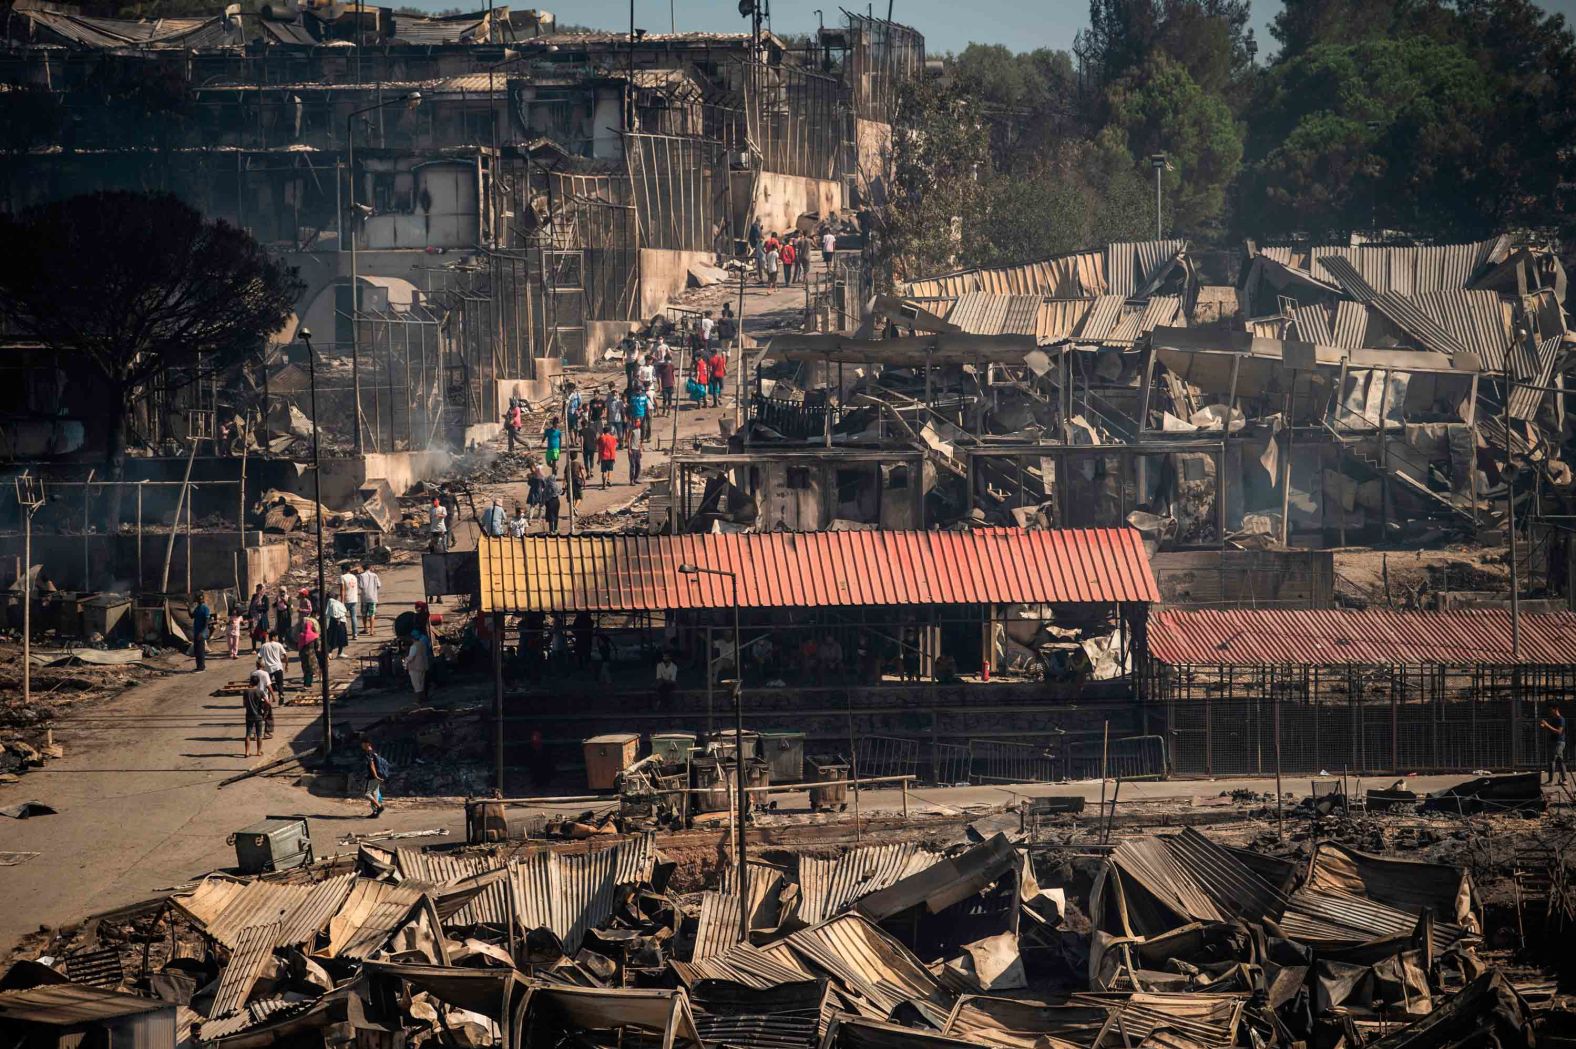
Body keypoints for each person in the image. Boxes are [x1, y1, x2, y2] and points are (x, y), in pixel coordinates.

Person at [248, 659, 276, 739]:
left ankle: (255, 734)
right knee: (269, 715)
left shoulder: (252, 673)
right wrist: (273, 696)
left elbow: (250, 685)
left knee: (255, 715)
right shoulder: (265, 673)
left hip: (254, 698)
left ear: (257, 665)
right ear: (263, 665)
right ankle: (267, 732)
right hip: (264, 698)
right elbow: (268, 686)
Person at [1542, 703, 1568, 785]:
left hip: (1559, 742)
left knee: (1552, 760)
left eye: (1551, 710)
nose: (1550, 711)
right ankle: (1564, 780)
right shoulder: (1554, 719)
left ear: (1555, 709)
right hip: (1554, 741)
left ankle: (1550, 781)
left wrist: (1547, 725)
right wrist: (1545, 727)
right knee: (1560, 760)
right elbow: (1552, 730)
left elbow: (1559, 732)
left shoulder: (1561, 719)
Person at [362, 739, 388, 818]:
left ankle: (380, 807)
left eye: (363, 744)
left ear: (368, 744)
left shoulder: (369, 753)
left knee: (367, 794)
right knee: (375, 794)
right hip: (378, 776)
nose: (362, 746)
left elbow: (372, 765)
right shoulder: (375, 753)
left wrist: (376, 776)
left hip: (373, 777)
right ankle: (375, 813)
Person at [242, 681, 268, 758]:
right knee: (259, 735)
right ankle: (258, 752)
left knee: (248, 734)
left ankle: (247, 752)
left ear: (251, 682)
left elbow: (244, 704)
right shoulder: (260, 692)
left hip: (249, 715)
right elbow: (267, 702)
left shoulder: (246, 691)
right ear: (258, 683)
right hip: (259, 716)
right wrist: (266, 711)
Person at [258, 631, 288, 697]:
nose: (277, 638)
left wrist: (260, 667)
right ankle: (281, 695)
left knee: (267, 684)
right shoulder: (279, 645)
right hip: (278, 667)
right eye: (276, 636)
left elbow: (259, 657)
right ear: (273, 637)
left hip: (268, 668)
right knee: (280, 683)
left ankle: (267, 697)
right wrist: (286, 665)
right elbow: (285, 655)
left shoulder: (264, 646)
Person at [404, 632, 430, 703]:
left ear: (412, 638)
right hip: (423, 666)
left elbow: (411, 657)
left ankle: (419, 700)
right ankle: (423, 698)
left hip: (415, 667)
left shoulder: (414, 646)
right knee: (421, 684)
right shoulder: (422, 644)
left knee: (416, 685)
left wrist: (405, 661)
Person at [296, 613, 320, 687]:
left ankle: (307, 683)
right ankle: (308, 683)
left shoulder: (301, 635)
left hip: (303, 654)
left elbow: (299, 645)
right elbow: (317, 646)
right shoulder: (314, 636)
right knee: (311, 669)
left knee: (305, 669)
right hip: (311, 654)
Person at [190, 593, 212, 672]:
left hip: (201, 633)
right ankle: (198, 666)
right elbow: (192, 616)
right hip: (196, 632)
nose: (199, 600)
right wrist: (188, 608)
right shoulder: (197, 608)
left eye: (200, 599)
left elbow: (206, 622)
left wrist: (202, 632)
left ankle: (202, 667)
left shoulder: (205, 608)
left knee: (200, 650)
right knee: (197, 650)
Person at [358, 563, 381, 635]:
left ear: (363, 568)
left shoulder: (361, 576)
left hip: (364, 598)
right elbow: (379, 585)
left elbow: (361, 586)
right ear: (370, 568)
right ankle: (372, 630)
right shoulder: (374, 575)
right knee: (372, 614)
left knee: (364, 614)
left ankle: (365, 629)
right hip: (373, 598)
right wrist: (374, 590)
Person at [339, 564, 360, 640]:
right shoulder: (354, 577)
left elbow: (342, 590)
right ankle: (355, 634)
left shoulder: (342, 577)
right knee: (354, 617)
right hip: (354, 599)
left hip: (346, 600)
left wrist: (341, 601)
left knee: (342, 617)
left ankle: (342, 634)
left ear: (344, 570)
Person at [326, 593, 350, 659]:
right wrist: (338, 619)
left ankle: (332, 652)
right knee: (337, 638)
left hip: (336, 622)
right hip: (338, 622)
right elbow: (335, 613)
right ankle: (333, 652)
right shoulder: (333, 603)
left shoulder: (330, 602)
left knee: (334, 638)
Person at [542, 470, 563, 534]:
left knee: (551, 516)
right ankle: (555, 529)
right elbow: (561, 492)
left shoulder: (547, 487)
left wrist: (542, 503)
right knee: (556, 515)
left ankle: (551, 530)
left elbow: (544, 495)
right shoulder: (556, 486)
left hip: (549, 502)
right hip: (556, 501)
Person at [748, 217, 764, 281]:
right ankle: (761, 278)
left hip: (755, 244)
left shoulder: (756, 226)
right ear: (758, 220)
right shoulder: (756, 226)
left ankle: (761, 278)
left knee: (758, 262)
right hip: (756, 244)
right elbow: (757, 234)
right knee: (759, 262)